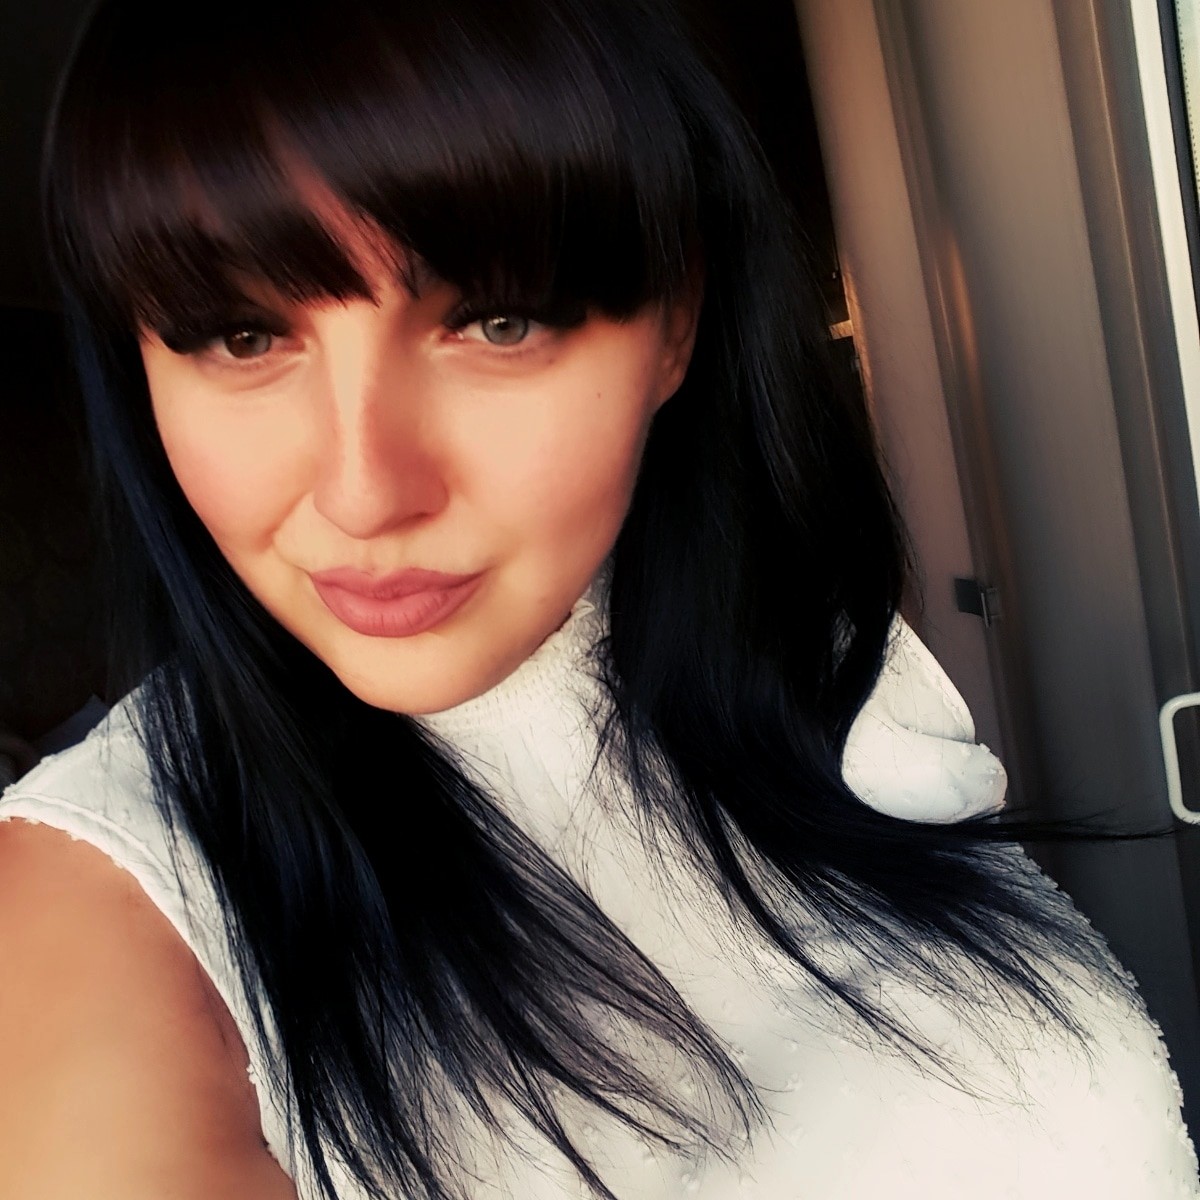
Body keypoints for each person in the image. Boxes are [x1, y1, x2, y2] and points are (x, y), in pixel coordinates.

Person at [1, 0, 1195, 1196]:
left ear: (675, 326)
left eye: (497, 320)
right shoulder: (101, 912)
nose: (364, 494)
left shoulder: (816, 652)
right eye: (241, 336)